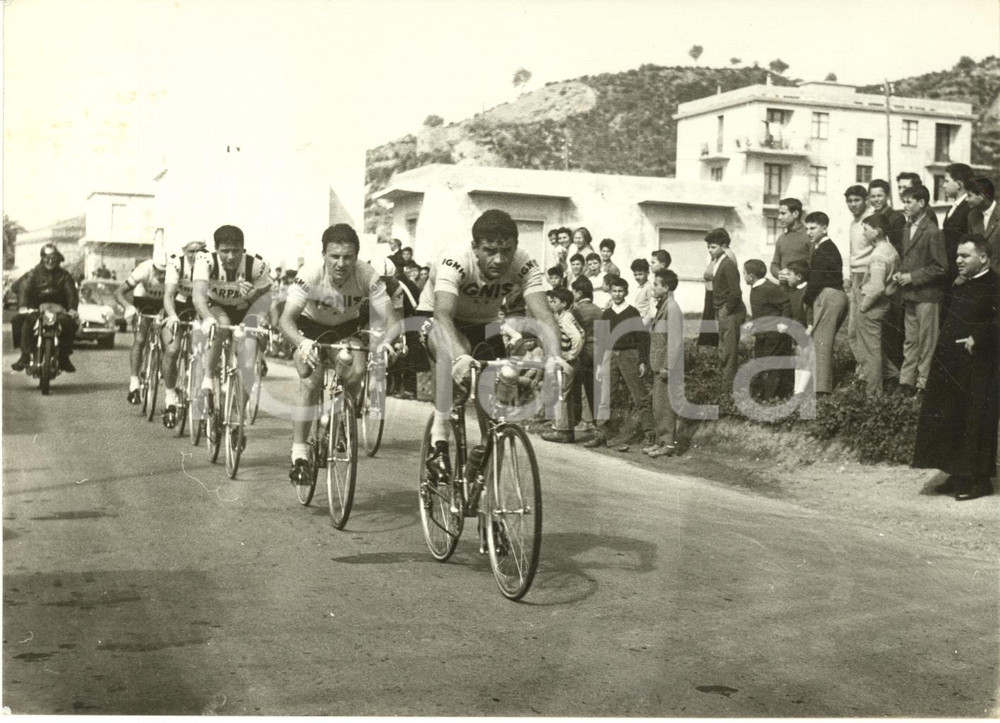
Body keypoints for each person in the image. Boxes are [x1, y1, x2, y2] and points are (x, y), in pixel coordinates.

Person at [417, 209, 563, 479]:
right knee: (453, 358)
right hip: (439, 317)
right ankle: (439, 442)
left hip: (485, 323)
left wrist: (555, 358)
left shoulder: (524, 263)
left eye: (506, 251)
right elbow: (443, 314)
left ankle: (485, 463)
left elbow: (544, 314)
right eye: (490, 251)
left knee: (494, 396)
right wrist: (461, 357)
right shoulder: (455, 259)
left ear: (515, 247)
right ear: (475, 248)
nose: (499, 259)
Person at [280, 224, 398, 483]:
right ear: (324, 255)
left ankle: (338, 419)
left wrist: (387, 343)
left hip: (345, 328)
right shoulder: (310, 273)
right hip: (309, 327)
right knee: (311, 381)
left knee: (357, 370)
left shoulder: (367, 275)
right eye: (335, 256)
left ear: (357, 256)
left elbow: (392, 321)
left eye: (348, 257)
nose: (342, 263)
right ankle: (299, 454)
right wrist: (301, 343)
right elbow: (286, 320)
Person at [913, 235, 998, 501]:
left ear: (983, 257)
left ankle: (980, 480)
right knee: (951, 416)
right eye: (958, 255)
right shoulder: (961, 284)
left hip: (981, 366)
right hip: (952, 364)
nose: (958, 260)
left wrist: (979, 337)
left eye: (965, 256)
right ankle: (958, 473)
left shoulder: (995, 284)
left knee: (976, 420)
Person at [192, 225, 273, 414]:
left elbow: (265, 302)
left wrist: (253, 294)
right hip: (216, 306)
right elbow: (198, 297)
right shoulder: (205, 260)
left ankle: (239, 413)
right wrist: (207, 319)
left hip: (244, 309)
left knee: (248, 360)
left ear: (243, 249)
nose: (230, 257)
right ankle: (208, 379)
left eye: (235, 251)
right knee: (222, 325)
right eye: (224, 251)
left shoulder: (256, 265)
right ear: (216, 249)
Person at [583, 276, 651, 449]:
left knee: (639, 395)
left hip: (629, 354)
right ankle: (602, 434)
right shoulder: (606, 313)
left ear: (626, 292)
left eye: (620, 291)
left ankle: (650, 434)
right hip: (610, 355)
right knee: (605, 397)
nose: (617, 294)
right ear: (611, 292)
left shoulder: (632, 312)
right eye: (614, 291)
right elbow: (602, 340)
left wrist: (643, 361)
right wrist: (599, 364)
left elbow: (642, 337)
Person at [895, 184, 947, 394]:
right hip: (910, 295)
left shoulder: (933, 232)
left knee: (927, 342)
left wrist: (912, 277)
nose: (904, 206)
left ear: (922, 203)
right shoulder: (907, 228)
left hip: (928, 296)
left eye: (908, 202)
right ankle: (906, 382)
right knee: (911, 341)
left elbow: (941, 267)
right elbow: (909, 258)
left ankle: (923, 384)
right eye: (904, 201)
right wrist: (901, 272)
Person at [159, 240, 208, 426]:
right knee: (172, 350)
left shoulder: (208, 262)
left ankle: (203, 400)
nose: (195, 255)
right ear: (183, 251)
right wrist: (172, 316)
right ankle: (170, 398)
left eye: (200, 251)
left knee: (204, 353)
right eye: (191, 251)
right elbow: (169, 295)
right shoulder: (176, 263)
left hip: (200, 306)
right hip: (177, 306)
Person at [11, 243, 79, 373]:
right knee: (24, 322)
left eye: (53, 257)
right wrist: (23, 306)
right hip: (37, 308)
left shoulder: (64, 275)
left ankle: (64, 357)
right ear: (42, 258)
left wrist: (72, 309)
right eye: (47, 257)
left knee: (68, 323)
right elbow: (24, 287)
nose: (50, 261)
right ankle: (25, 356)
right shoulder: (34, 273)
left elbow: (71, 293)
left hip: (58, 308)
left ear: (58, 258)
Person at [801, 212, 848, 395]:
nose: (809, 232)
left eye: (813, 228)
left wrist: (806, 300)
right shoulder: (824, 248)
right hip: (834, 295)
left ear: (824, 228)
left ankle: (822, 390)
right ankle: (820, 387)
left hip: (828, 296)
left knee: (821, 343)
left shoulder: (824, 249)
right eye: (807, 229)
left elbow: (817, 280)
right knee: (821, 341)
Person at [856, 214, 901, 396]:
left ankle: (874, 392)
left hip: (873, 306)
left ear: (878, 231)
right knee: (874, 348)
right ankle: (893, 375)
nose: (864, 234)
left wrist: (863, 307)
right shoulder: (891, 249)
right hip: (886, 304)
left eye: (866, 229)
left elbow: (877, 287)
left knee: (870, 351)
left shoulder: (878, 255)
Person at [114, 255, 168, 403]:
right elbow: (119, 292)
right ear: (153, 267)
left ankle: (163, 368)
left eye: (166, 272)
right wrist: (128, 307)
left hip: (164, 303)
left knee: (167, 341)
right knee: (140, 339)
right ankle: (134, 383)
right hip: (143, 302)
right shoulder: (144, 269)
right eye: (159, 271)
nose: (162, 276)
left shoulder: (176, 270)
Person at [644, 268, 684, 458]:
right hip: (658, 365)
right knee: (658, 405)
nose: (653, 287)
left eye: (657, 284)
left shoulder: (672, 308)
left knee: (666, 406)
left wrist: (668, 366)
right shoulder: (663, 305)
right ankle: (661, 441)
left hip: (666, 368)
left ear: (666, 287)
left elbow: (675, 340)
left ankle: (668, 444)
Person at [704, 228, 745, 399]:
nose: (710, 250)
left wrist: (726, 310)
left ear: (724, 246)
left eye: (713, 247)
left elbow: (736, 292)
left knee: (728, 352)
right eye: (708, 247)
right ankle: (725, 387)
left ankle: (728, 392)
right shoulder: (718, 261)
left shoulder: (727, 264)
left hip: (729, 312)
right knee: (723, 350)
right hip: (721, 310)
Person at [540, 287, 584, 443]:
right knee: (564, 395)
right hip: (566, 361)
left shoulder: (565, 319)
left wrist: (571, 355)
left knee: (561, 396)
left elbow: (578, 337)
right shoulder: (564, 316)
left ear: (564, 304)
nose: (552, 304)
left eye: (555, 302)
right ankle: (566, 430)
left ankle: (562, 432)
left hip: (566, 362)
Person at [743, 258, 791, 401]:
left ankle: (771, 399)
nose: (743, 276)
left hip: (773, 335)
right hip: (762, 334)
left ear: (751, 276)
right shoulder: (756, 288)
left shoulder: (769, 288)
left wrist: (783, 322)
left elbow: (787, 303)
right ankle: (760, 395)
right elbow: (763, 310)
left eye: (744, 273)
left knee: (771, 366)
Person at [845, 184, 875, 364]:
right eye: (849, 201)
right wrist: (849, 276)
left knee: (865, 328)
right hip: (855, 276)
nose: (853, 204)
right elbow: (852, 251)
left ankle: (871, 373)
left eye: (857, 200)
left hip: (868, 276)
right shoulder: (853, 222)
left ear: (866, 200)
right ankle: (863, 370)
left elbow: (878, 249)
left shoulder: (871, 221)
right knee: (853, 330)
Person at [569, 275, 604, 433]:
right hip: (598, 350)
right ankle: (597, 424)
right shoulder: (599, 310)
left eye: (574, 292)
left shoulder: (575, 310)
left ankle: (575, 421)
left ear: (579, 293)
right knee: (593, 388)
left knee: (575, 386)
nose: (573, 295)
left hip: (582, 351)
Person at [779, 260, 813, 396]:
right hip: (796, 330)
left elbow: (810, 310)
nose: (787, 277)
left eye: (790, 274)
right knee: (798, 358)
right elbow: (788, 309)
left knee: (805, 358)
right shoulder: (792, 291)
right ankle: (796, 389)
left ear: (799, 277)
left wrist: (810, 327)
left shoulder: (808, 291)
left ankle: (801, 389)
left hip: (805, 330)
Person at [770, 198, 810, 281]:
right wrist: (779, 274)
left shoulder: (809, 236)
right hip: (784, 289)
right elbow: (774, 264)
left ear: (795, 214)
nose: (779, 217)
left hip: (803, 290)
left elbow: (814, 266)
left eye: (783, 213)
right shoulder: (781, 239)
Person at [967, 177, 999, 272]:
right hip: (978, 277)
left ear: (981, 196)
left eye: (969, 196)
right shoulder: (972, 216)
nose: (966, 200)